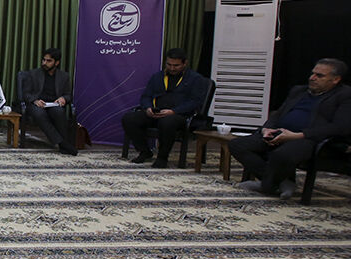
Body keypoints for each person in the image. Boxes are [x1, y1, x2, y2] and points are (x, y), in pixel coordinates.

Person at [230, 58, 351, 199]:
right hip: (280, 132)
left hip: (308, 139)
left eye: (319, 76)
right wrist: (267, 129)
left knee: (281, 154)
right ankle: (282, 182)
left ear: (335, 79)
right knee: (237, 145)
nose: (312, 78)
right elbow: (278, 114)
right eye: (312, 73)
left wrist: (297, 135)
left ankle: (267, 185)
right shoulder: (299, 91)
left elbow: (340, 127)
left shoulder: (345, 95)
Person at [120, 48, 209, 167]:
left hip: (178, 115)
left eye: (176, 65)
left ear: (185, 63)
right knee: (129, 119)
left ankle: (162, 157)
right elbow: (146, 96)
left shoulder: (196, 79)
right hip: (156, 113)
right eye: (169, 64)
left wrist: (173, 111)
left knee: (167, 122)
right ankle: (145, 151)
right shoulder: (157, 77)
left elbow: (195, 102)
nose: (172, 68)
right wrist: (148, 108)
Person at [19, 47, 77, 155]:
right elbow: (26, 93)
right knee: (39, 114)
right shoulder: (33, 74)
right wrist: (35, 100)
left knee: (59, 112)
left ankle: (63, 144)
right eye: (44, 60)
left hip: (53, 104)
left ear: (56, 63)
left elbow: (68, 95)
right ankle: (62, 143)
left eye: (49, 61)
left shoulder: (64, 76)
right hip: (37, 104)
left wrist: (63, 98)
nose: (44, 63)